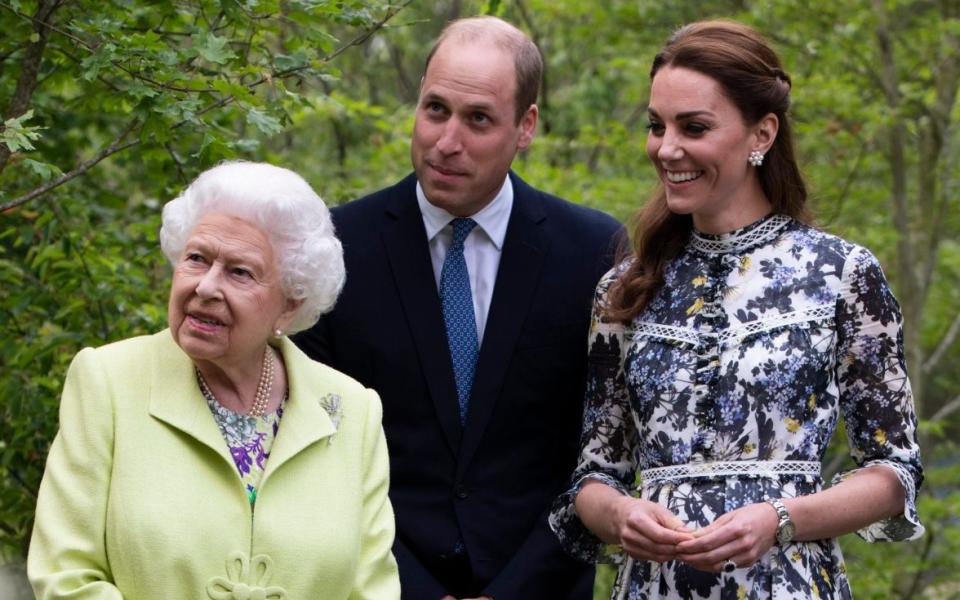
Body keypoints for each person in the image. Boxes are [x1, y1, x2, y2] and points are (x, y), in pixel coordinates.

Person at [549, 20, 924, 599]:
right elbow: (594, 476)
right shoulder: (624, 288)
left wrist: (780, 519)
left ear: (762, 134)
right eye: (656, 126)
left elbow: (894, 472)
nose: (667, 148)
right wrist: (621, 517)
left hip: (791, 584)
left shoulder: (841, 274)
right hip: (654, 587)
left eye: (693, 127)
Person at [293, 15, 622, 600]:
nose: (447, 141)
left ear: (526, 127)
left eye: (478, 119)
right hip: (376, 583)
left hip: (541, 586)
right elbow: (315, 449)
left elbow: (603, 450)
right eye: (435, 109)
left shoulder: (594, 252)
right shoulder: (335, 248)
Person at [28, 161, 400, 599]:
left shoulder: (351, 410)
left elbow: (373, 589)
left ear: (288, 305)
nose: (206, 286)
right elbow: (66, 576)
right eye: (196, 258)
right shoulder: (108, 382)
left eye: (239, 272)